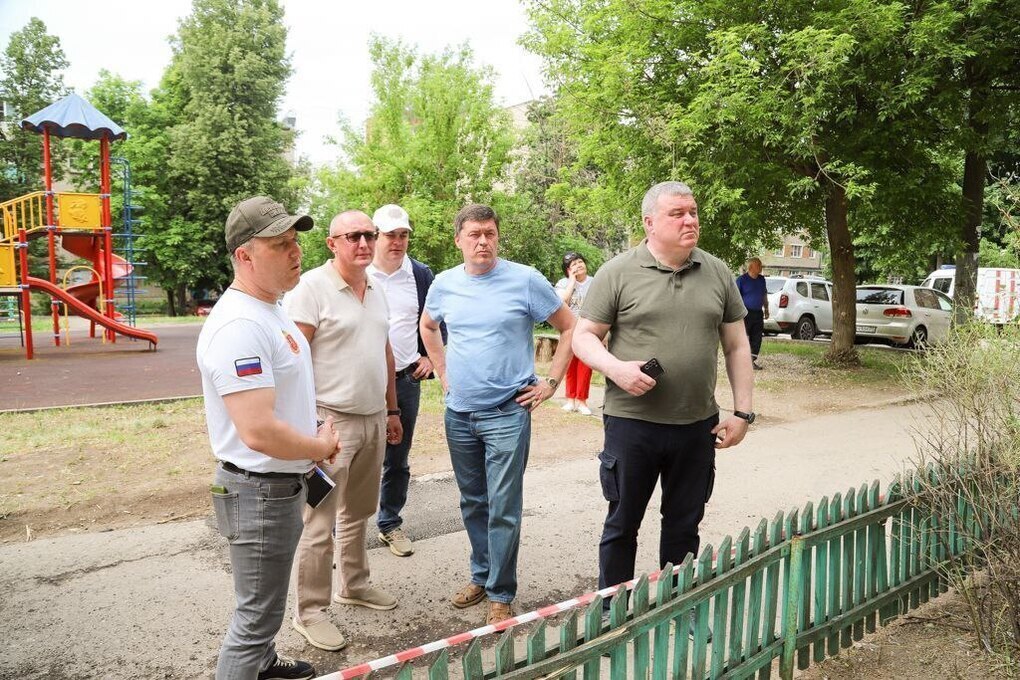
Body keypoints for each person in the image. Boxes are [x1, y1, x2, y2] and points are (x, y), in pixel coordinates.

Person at [571, 181, 755, 618]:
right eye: (678, 213)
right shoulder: (617, 272)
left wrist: (743, 412)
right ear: (649, 222)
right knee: (623, 523)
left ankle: (679, 605)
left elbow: (736, 345)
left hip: (697, 424)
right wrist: (616, 368)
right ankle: (612, 612)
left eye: (693, 212)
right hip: (632, 423)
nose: (690, 220)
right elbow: (583, 337)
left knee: (684, 524)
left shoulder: (716, 272)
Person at [197, 196, 340, 680]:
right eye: (280, 244)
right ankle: (251, 663)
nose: (295, 251)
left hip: (275, 485)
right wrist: (319, 447)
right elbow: (257, 430)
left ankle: (262, 664)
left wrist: (312, 428)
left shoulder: (268, 307)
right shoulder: (240, 325)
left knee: (266, 602)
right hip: (259, 490)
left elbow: (281, 398)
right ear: (245, 255)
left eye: (294, 240)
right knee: (255, 617)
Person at [419, 203, 576, 624]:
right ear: (459, 240)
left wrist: (551, 382)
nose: (483, 241)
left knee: (503, 505)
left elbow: (569, 326)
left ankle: (501, 592)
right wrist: (442, 370)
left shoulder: (525, 279)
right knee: (473, 501)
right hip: (459, 413)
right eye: (474, 234)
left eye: (489, 233)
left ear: (498, 237)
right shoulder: (444, 283)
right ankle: (482, 574)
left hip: (508, 411)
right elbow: (428, 326)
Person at [283, 210, 402, 653]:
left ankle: (353, 584)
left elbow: (385, 353)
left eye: (369, 234)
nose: (364, 243)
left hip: (373, 418)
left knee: (359, 511)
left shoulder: (376, 288)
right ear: (332, 243)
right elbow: (293, 360)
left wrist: (392, 409)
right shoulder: (312, 287)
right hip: (330, 423)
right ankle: (310, 611)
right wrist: (310, 424)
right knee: (319, 522)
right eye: (353, 236)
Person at [367, 203, 445, 557]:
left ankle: (389, 523)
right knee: (352, 458)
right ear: (375, 236)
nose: (398, 242)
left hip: (404, 381)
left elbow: (437, 320)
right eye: (390, 235)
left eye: (403, 235)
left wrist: (428, 356)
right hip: (362, 381)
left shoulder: (420, 274)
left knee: (397, 459)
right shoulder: (358, 269)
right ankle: (338, 533)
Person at [555, 252, 595, 415]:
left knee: (585, 365)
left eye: (580, 262)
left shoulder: (595, 282)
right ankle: (570, 399)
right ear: (567, 270)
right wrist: (572, 281)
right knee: (570, 364)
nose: (578, 265)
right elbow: (562, 301)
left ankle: (582, 401)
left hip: (588, 329)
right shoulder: (563, 283)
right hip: (569, 329)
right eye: (573, 264)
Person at [736, 257, 769, 370]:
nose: (761, 267)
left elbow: (764, 294)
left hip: (758, 313)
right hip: (745, 313)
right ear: (751, 267)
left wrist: (766, 308)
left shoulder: (761, 279)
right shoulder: (741, 280)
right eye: (758, 265)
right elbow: (735, 298)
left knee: (757, 338)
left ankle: (751, 361)